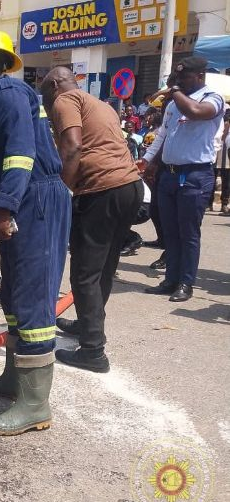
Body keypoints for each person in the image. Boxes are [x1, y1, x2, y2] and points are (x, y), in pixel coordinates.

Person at [0, 29, 71, 435]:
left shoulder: (8, 94)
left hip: (35, 199)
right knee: (13, 295)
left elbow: (20, 157)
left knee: (34, 298)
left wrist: (2, 211)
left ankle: (36, 405)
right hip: (22, 199)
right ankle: (14, 379)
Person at [39, 66, 142, 373]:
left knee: (84, 273)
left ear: (56, 85)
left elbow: (72, 146)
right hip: (129, 187)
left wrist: (62, 191)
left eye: (45, 94)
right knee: (104, 266)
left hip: (102, 189)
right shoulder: (100, 104)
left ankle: (93, 351)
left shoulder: (65, 100)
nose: (46, 103)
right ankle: (88, 326)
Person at [138, 57, 225, 302]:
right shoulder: (175, 103)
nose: (179, 84)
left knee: (188, 233)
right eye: (177, 79)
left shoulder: (212, 98)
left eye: (184, 78)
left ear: (200, 76)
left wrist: (174, 92)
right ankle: (170, 280)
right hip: (169, 174)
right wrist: (147, 160)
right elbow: (162, 134)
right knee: (171, 231)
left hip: (195, 175)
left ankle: (186, 283)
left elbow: (196, 112)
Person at [212, 109, 230, 214]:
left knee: (226, 182)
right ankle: (211, 203)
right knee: (222, 181)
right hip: (218, 155)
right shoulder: (220, 125)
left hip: (224, 158)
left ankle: (224, 204)